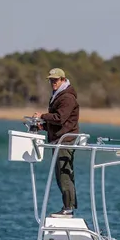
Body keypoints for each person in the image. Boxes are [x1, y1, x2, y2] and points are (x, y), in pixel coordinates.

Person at [33, 68, 80, 217]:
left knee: (64, 175)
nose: (53, 82)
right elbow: (60, 123)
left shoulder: (67, 97)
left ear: (63, 80)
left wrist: (42, 116)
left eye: (56, 80)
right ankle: (68, 207)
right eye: (51, 80)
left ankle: (68, 209)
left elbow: (60, 118)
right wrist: (43, 127)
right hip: (60, 139)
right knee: (61, 175)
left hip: (65, 141)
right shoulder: (58, 95)